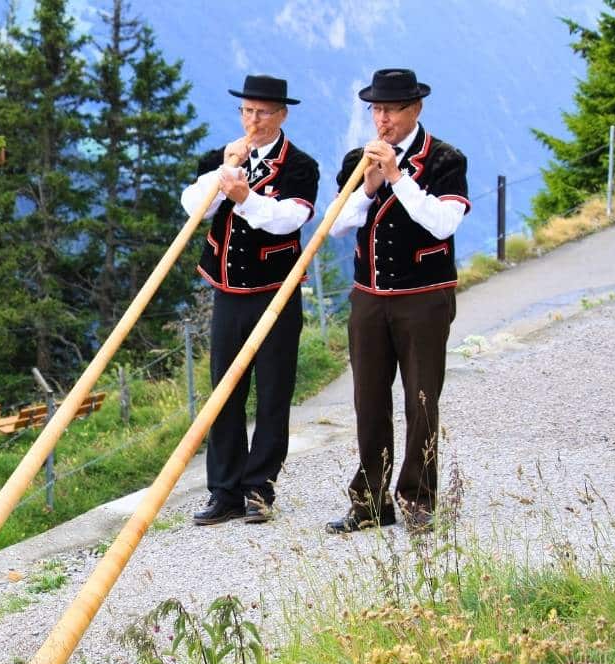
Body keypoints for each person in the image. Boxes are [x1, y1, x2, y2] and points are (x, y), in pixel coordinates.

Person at [326, 68, 470, 534]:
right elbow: (335, 225)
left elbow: (443, 223)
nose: (381, 120)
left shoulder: (446, 159)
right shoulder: (355, 161)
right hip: (368, 298)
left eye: (390, 110)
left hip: (424, 299)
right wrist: (368, 186)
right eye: (376, 110)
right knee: (368, 400)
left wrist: (398, 177)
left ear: (416, 110)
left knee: (421, 399)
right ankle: (369, 502)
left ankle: (417, 498)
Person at [182, 74, 319, 526]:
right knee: (225, 391)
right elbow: (193, 207)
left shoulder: (300, 165)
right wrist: (219, 176)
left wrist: (245, 198)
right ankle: (224, 490)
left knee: (273, 391)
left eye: (261, 112)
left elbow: (288, 219)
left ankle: (259, 487)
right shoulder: (220, 157)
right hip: (227, 292)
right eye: (246, 111)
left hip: (276, 294)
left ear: (281, 115)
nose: (252, 120)